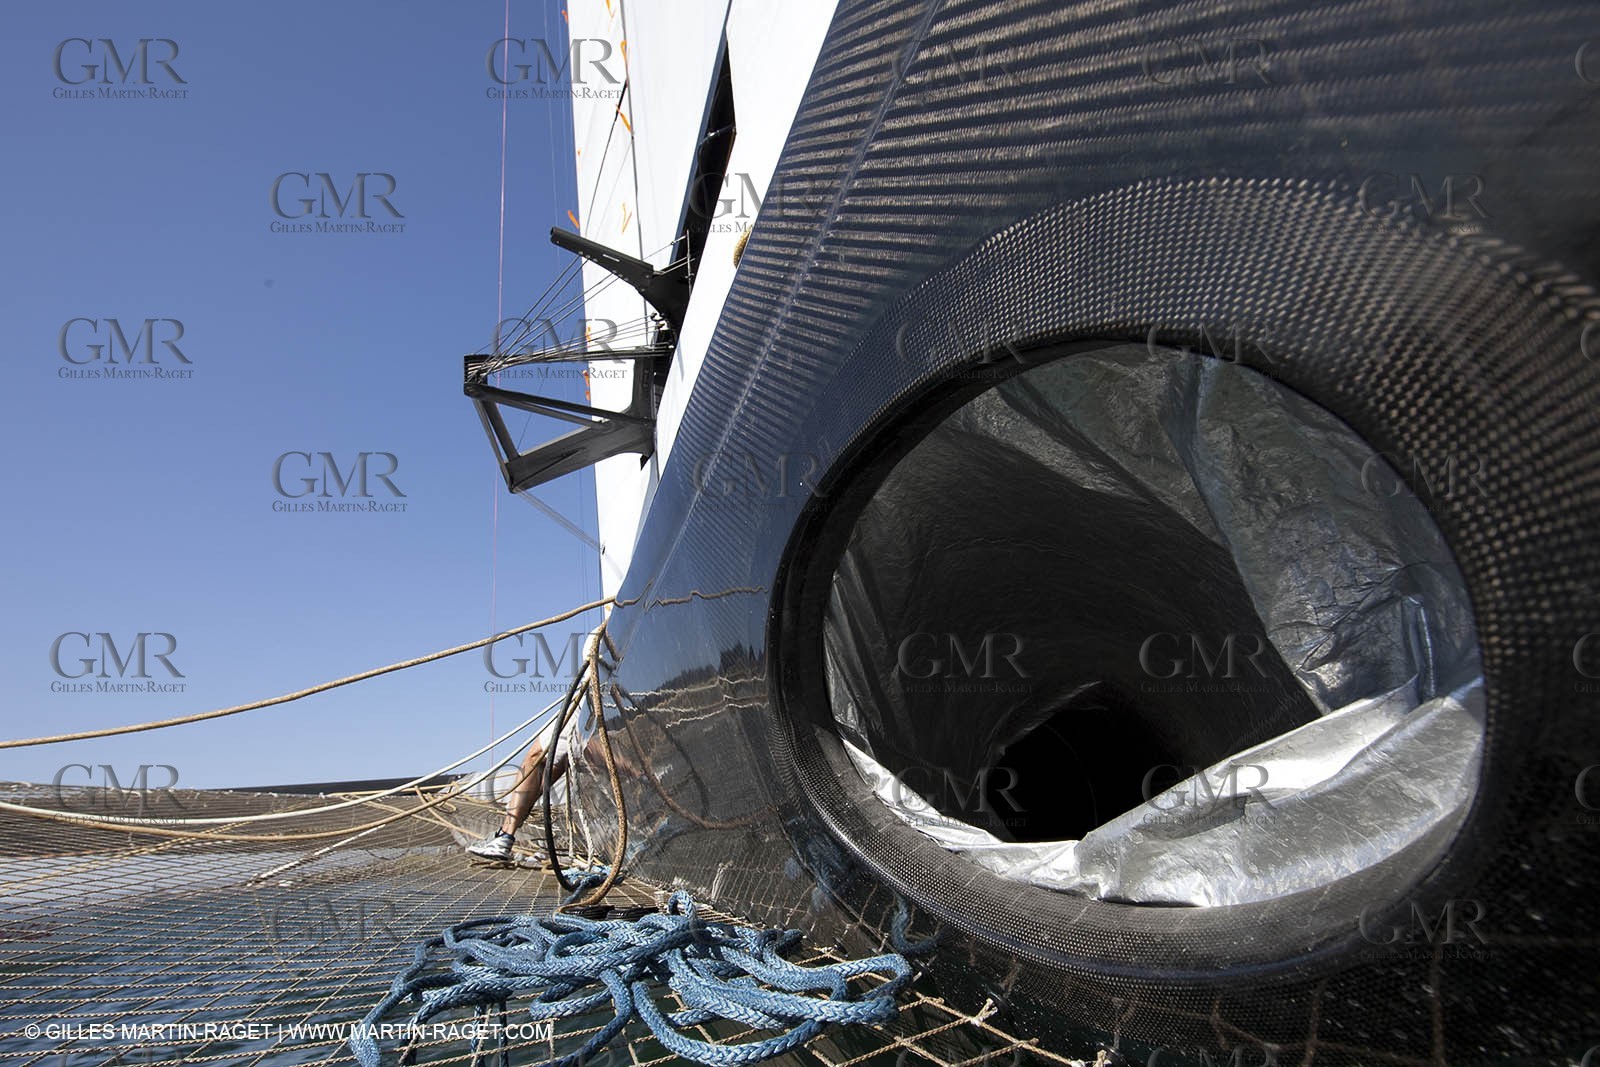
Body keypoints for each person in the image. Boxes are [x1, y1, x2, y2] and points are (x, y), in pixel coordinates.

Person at [465, 710, 574, 862]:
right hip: (601, 707)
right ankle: (513, 821)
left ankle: (505, 835)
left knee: (536, 755)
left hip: (592, 703)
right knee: (563, 757)